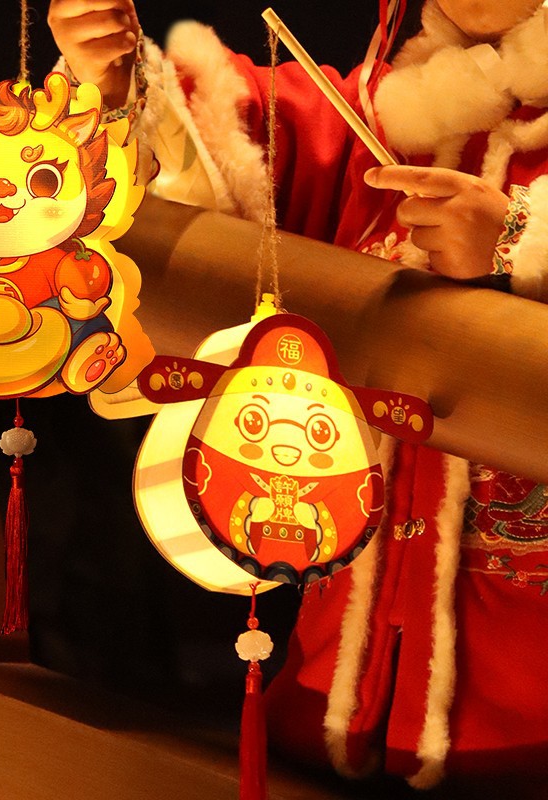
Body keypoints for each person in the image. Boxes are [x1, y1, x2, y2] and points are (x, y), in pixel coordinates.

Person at [48, 0, 548, 790]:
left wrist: (519, 238)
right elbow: (224, 136)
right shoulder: (378, 123)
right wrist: (115, 80)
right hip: (330, 718)